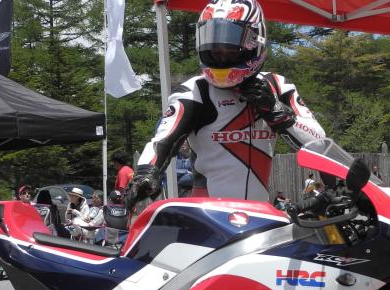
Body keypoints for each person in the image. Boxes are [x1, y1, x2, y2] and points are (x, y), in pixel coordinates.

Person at [125, 0, 326, 209]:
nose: (221, 54)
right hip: (209, 215)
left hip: (260, 216)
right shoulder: (194, 91)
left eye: (230, 48)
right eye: (214, 47)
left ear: (256, 40)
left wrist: (275, 110)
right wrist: (145, 174)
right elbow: (162, 141)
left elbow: (319, 145)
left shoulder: (278, 85)